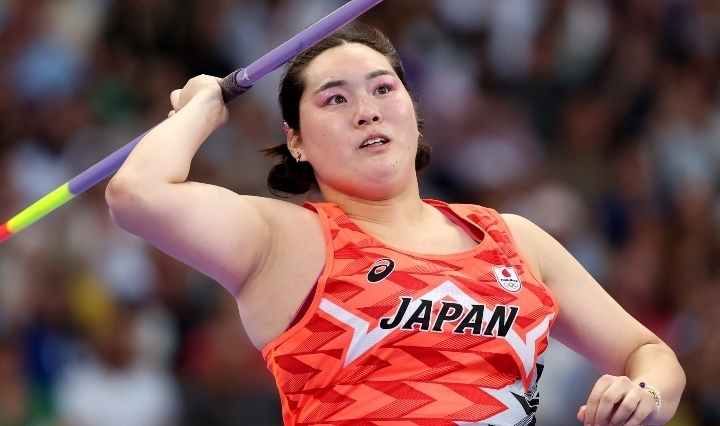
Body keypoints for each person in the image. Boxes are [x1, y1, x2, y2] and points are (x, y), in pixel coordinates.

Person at [105, 22, 685, 426]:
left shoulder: (514, 239)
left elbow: (648, 352)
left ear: (413, 112)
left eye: (384, 88)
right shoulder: (283, 240)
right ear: (296, 142)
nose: (367, 109)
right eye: (334, 100)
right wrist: (205, 104)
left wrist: (644, 393)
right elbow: (137, 194)